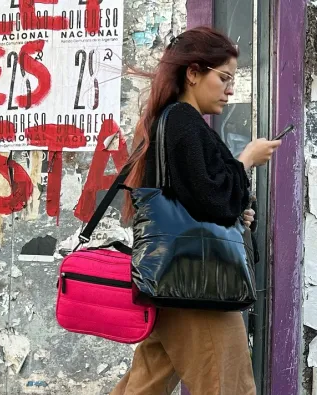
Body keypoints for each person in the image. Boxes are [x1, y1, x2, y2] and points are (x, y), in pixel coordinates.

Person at [110, 26, 280, 395]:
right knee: (229, 386)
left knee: (145, 386)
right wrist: (246, 160)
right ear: (193, 73)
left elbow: (196, 197)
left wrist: (237, 212)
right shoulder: (184, 121)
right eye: (223, 78)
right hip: (199, 286)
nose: (230, 89)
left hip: (175, 281)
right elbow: (213, 200)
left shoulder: (170, 120)